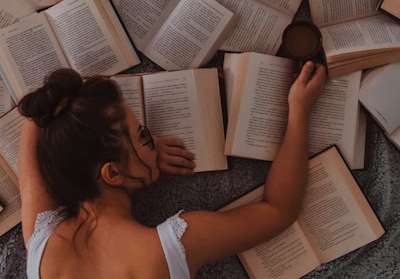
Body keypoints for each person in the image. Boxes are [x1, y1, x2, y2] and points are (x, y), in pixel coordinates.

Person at [18, 61, 325, 279]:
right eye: (144, 137)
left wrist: (136, 163)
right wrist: (299, 112)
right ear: (112, 174)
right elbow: (278, 210)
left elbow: (37, 116)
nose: (152, 138)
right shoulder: (170, 249)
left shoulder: (41, 240)